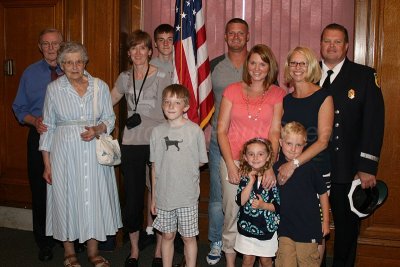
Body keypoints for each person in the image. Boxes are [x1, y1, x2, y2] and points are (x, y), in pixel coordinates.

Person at [39, 41, 122, 267]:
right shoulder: (54, 89)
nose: (75, 66)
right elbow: (47, 127)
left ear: (85, 62)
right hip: (63, 153)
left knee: (92, 199)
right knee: (66, 199)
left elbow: (110, 119)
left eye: (79, 61)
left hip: (93, 151)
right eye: (69, 62)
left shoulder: (100, 87)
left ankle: (93, 253)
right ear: (61, 65)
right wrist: (47, 164)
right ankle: (69, 253)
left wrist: (97, 129)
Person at [319, 23, 385, 267]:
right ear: (321, 44)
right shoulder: (307, 73)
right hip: (312, 165)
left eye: (337, 42)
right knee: (313, 225)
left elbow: (374, 122)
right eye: (327, 41)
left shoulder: (364, 76)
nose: (332, 46)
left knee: (346, 227)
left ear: (347, 46)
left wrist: (367, 166)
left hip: (346, 167)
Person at [217, 44, 286, 267]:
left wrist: (269, 166)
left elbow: (275, 131)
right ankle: (230, 262)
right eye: (253, 62)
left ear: (270, 67)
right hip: (235, 160)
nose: (257, 68)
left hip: (264, 162)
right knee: (232, 213)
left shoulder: (278, 94)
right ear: (247, 65)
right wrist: (230, 164)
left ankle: (262, 256)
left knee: (262, 209)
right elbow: (221, 130)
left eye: (262, 63)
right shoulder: (232, 90)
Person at [110, 29, 171, 267]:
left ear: (149, 51)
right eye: (133, 48)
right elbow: (107, 100)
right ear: (129, 53)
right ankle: (134, 249)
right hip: (131, 143)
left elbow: (172, 108)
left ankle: (158, 250)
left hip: (157, 142)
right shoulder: (124, 78)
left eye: (142, 48)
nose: (138, 52)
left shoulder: (163, 75)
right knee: (133, 199)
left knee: (159, 197)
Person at [12, 28, 63, 262]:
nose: (51, 48)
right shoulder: (30, 73)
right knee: (41, 190)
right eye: (46, 44)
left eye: (55, 43)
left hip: (66, 138)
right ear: (39, 47)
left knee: (66, 189)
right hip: (39, 137)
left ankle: (68, 238)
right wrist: (34, 121)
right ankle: (44, 242)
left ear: (62, 45)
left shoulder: (74, 69)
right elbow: (19, 108)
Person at [279, 46, 334, 264]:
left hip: (316, 171)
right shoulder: (286, 100)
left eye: (302, 63)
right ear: (288, 67)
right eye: (293, 63)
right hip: (290, 175)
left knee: (315, 228)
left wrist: (293, 163)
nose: (298, 68)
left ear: (311, 66)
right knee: (292, 223)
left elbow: (323, 141)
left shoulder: (323, 97)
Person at [150, 84, 208, 267]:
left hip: (187, 196)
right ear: (162, 105)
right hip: (164, 196)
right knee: (167, 235)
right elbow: (154, 166)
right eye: (167, 102)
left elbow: (200, 161)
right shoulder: (157, 132)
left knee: (188, 237)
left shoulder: (195, 131)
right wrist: (154, 197)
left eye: (176, 102)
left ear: (186, 106)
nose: (171, 106)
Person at [207, 17, 249, 265]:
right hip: (219, 142)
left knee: (249, 194)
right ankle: (216, 240)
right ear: (224, 37)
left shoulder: (257, 64)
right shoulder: (213, 66)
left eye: (240, 33)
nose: (235, 37)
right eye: (231, 33)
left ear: (247, 36)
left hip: (252, 145)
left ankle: (246, 240)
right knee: (217, 196)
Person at [139, 23, 175, 262]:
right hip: (153, 131)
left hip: (176, 131)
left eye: (169, 39)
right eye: (160, 39)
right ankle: (154, 230)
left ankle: (174, 232)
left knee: (174, 180)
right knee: (153, 182)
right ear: (154, 43)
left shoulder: (182, 64)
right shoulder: (149, 68)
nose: (165, 44)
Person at [274, 122, 330, 267]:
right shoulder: (276, 167)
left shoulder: (310, 167)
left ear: (304, 145)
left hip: (308, 226)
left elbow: (323, 193)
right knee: (284, 262)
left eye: (298, 145)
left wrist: (325, 221)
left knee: (307, 262)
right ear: (281, 142)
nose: (293, 149)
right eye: (289, 143)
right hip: (285, 227)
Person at [234, 138, 280, 267]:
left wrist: (263, 205)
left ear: (268, 156)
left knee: (265, 261)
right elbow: (241, 201)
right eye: (251, 154)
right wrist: (250, 182)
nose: (255, 158)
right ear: (245, 157)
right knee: (247, 260)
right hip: (247, 227)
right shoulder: (245, 176)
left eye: (260, 154)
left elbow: (278, 206)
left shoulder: (272, 179)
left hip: (266, 229)